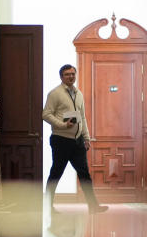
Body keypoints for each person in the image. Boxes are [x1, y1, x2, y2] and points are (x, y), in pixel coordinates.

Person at [41, 64, 108, 213]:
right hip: (61, 140)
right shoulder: (55, 93)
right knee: (56, 173)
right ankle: (48, 206)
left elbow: (82, 117)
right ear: (61, 77)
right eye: (67, 74)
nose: (70, 76)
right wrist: (62, 125)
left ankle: (93, 206)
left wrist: (86, 138)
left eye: (72, 74)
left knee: (85, 175)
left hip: (77, 142)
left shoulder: (79, 94)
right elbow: (46, 114)